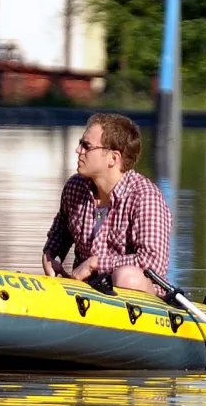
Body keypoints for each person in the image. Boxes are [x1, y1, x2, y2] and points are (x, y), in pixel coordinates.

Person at [41, 113, 171, 296]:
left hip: (140, 302)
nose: (78, 150)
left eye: (86, 146)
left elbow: (153, 262)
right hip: (85, 292)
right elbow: (59, 234)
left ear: (113, 158)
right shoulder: (74, 188)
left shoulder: (145, 197)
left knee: (127, 277)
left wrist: (97, 263)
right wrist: (50, 255)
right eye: (80, 144)